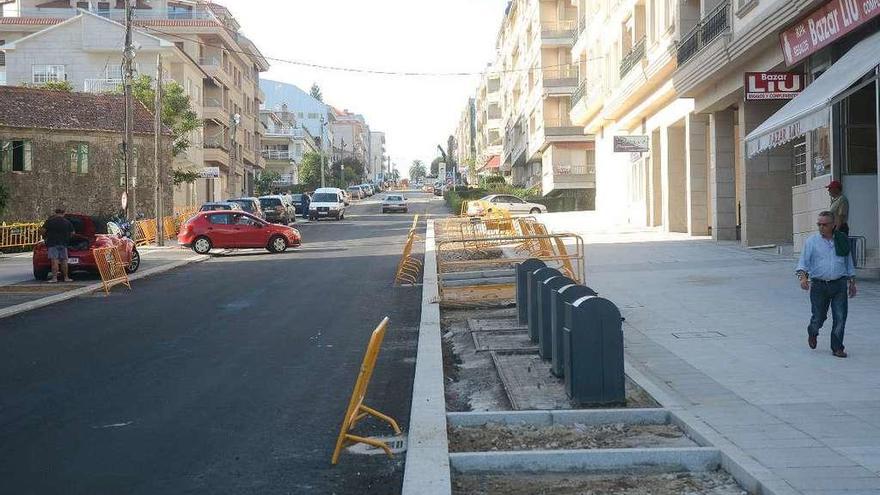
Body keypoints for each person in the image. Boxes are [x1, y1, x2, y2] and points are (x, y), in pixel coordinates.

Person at [796, 211, 857, 358]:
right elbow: (803, 263)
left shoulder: (842, 240)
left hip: (839, 284)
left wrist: (852, 283)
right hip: (819, 285)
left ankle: (837, 347)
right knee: (819, 317)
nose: (821, 227)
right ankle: (813, 331)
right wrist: (803, 278)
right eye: (819, 224)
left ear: (833, 225)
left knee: (840, 317)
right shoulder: (812, 241)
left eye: (824, 224)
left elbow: (849, 263)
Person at [40, 208, 75, 283]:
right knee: (64, 261)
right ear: (64, 213)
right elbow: (73, 233)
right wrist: (67, 237)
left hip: (52, 243)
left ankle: (54, 278)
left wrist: (45, 237)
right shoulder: (67, 222)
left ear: (55, 213)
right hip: (64, 243)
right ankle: (66, 278)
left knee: (54, 261)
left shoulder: (49, 221)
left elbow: (42, 231)